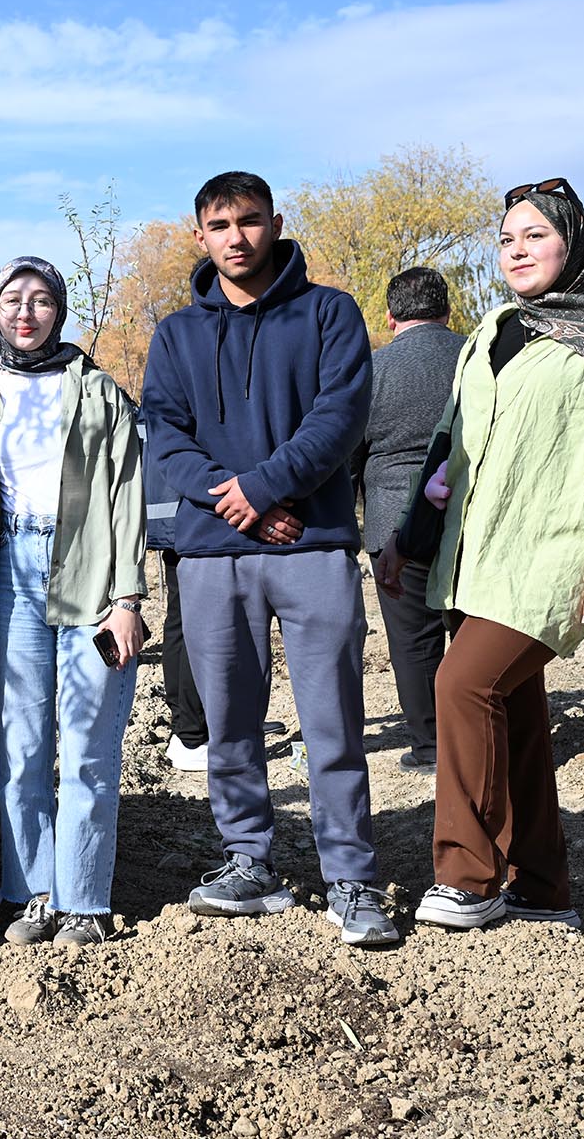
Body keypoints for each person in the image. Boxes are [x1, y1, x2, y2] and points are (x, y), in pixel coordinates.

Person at [379, 179, 584, 932]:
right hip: (479, 556)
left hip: (555, 557)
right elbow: (450, 439)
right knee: (512, 714)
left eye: (536, 235)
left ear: (573, 246)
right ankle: (543, 887)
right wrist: (410, 532)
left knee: (460, 684)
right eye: (507, 239)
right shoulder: (492, 330)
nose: (517, 250)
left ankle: (468, 877)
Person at [141, 171, 397, 948]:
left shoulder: (329, 313)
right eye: (221, 226)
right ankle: (248, 861)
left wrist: (264, 486)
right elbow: (164, 433)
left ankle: (350, 877)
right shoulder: (176, 334)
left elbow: (339, 416)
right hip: (213, 554)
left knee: (333, 722)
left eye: (250, 221)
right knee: (229, 723)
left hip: (311, 545)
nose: (237, 237)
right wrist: (240, 500)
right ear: (200, 236)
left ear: (276, 224)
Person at [0, 258, 148, 948]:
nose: (26, 312)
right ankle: (33, 892)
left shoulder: (100, 392)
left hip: (90, 572)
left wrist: (127, 596)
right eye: (12, 299)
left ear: (60, 311)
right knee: (22, 746)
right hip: (10, 575)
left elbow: (126, 493)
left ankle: (84, 900)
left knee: (88, 747)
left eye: (41, 300)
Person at [353, 267, 466, 774]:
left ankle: (431, 748)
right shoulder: (477, 358)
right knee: (474, 629)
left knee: (413, 640)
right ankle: (482, 735)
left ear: (390, 316)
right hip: (470, 514)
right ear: (447, 310)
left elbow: (349, 453)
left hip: (393, 524)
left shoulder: (370, 370)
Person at [142, 422, 208, 772]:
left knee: (181, 621)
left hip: (175, 518)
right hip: (190, 517)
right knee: (191, 624)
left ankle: (190, 729)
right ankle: (190, 735)